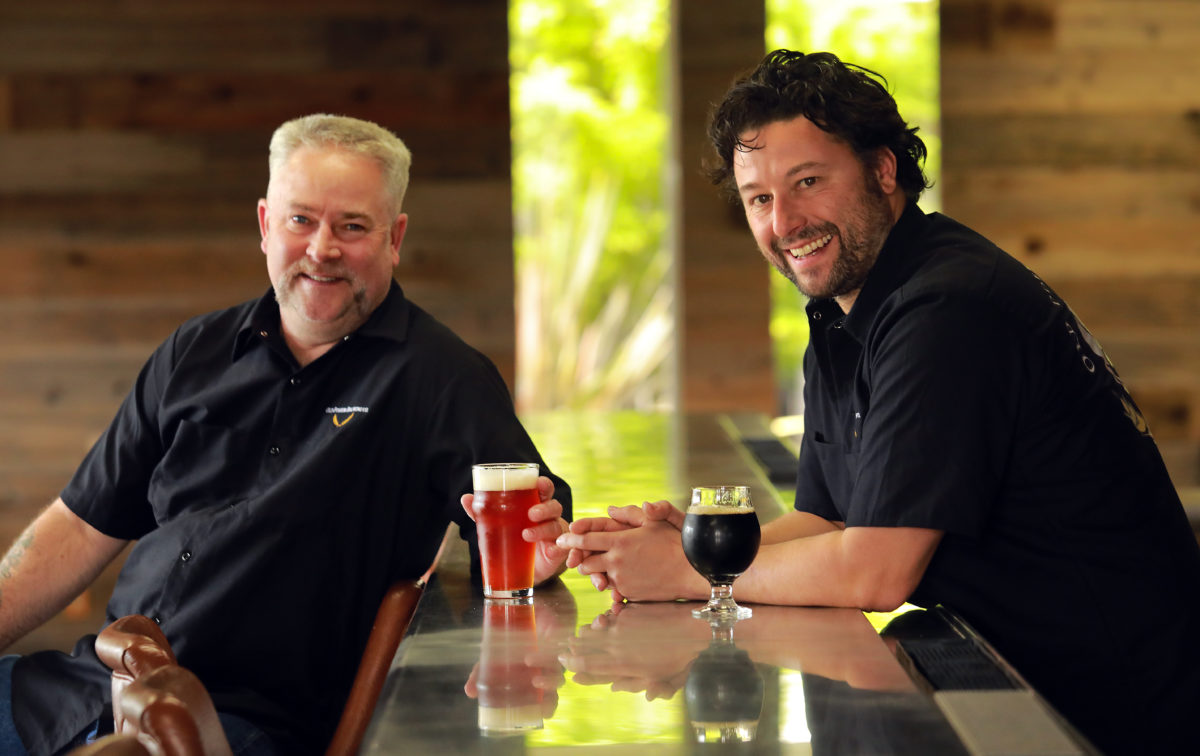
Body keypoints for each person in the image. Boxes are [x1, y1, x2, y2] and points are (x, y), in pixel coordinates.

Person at [557, 50, 1200, 755]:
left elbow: (875, 571)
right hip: (1007, 678)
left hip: (1107, 714)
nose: (785, 222)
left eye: (808, 182)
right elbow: (828, 517)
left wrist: (682, 575)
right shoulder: (845, 310)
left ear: (883, 170)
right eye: (759, 199)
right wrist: (703, 547)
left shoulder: (948, 307)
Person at [0, 114, 572, 756]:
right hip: (83, 688)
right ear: (267, 225)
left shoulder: (441, 379)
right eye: (301, 220)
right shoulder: (194, 350)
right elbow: (81, 525)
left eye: (351, 226)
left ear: (395, 238)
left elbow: (534, 525)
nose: (322, 248)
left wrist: (539, 558)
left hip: (238, 724)